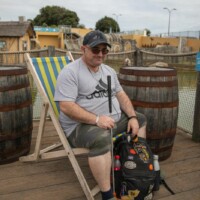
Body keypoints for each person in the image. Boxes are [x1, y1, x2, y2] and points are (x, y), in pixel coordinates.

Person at [54, 30, 147, 200]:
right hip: (80, 126)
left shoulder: (109, 71)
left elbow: (121, 95)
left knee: (140, 119)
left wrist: (132, 117)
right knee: (102, 138)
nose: (100, 54)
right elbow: (66, 106)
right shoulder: (70, 72)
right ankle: (107, 194)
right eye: (96, 50)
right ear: (83, 49)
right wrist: (96, 119)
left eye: (104, 51)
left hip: (110, 120)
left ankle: (133, 169)